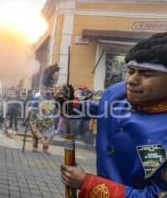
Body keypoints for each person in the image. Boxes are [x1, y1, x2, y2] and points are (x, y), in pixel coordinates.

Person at [61, 32, 167, 197]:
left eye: (147, 74)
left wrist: (87, 183)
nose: (131, 80)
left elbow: (157, 194)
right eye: (130, 71)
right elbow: (100, 109)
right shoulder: (116, 92)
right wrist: (69, 105)